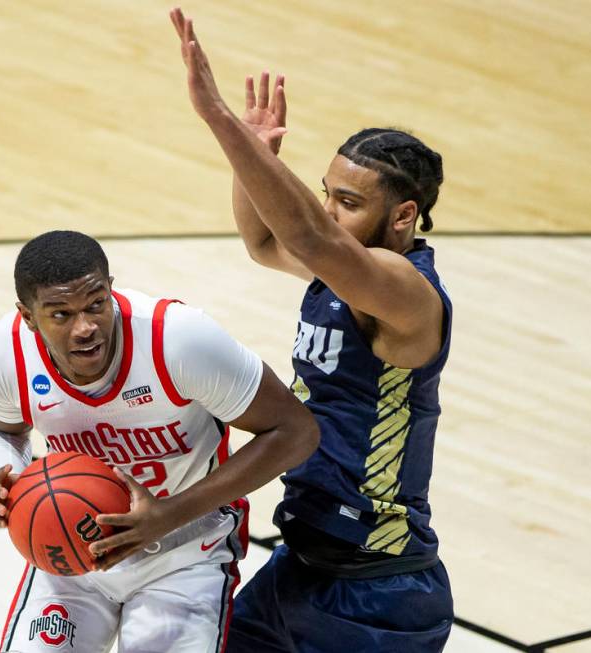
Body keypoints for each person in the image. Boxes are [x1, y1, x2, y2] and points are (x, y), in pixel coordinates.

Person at [171, 7, 454, 651]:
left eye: (348, 203)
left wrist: (220, 122)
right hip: (300, 568)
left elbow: (307, 235)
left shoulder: (406, 294)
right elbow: (265, 238)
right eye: (327, 193)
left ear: (405, 214)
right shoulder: (343, 273)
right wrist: (258, 158)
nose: (330, 211)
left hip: (377, 590)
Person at [0, 229, 319, 653]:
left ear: (111, 291)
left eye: (96, 305)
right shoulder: (8, 352)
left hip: (185, 550)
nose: (85, 327)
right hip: (74, 549)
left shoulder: (179, 340)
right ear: (28, 316)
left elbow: (295, 431)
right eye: (61, 314)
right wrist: (8, 483)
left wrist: (166, 515)